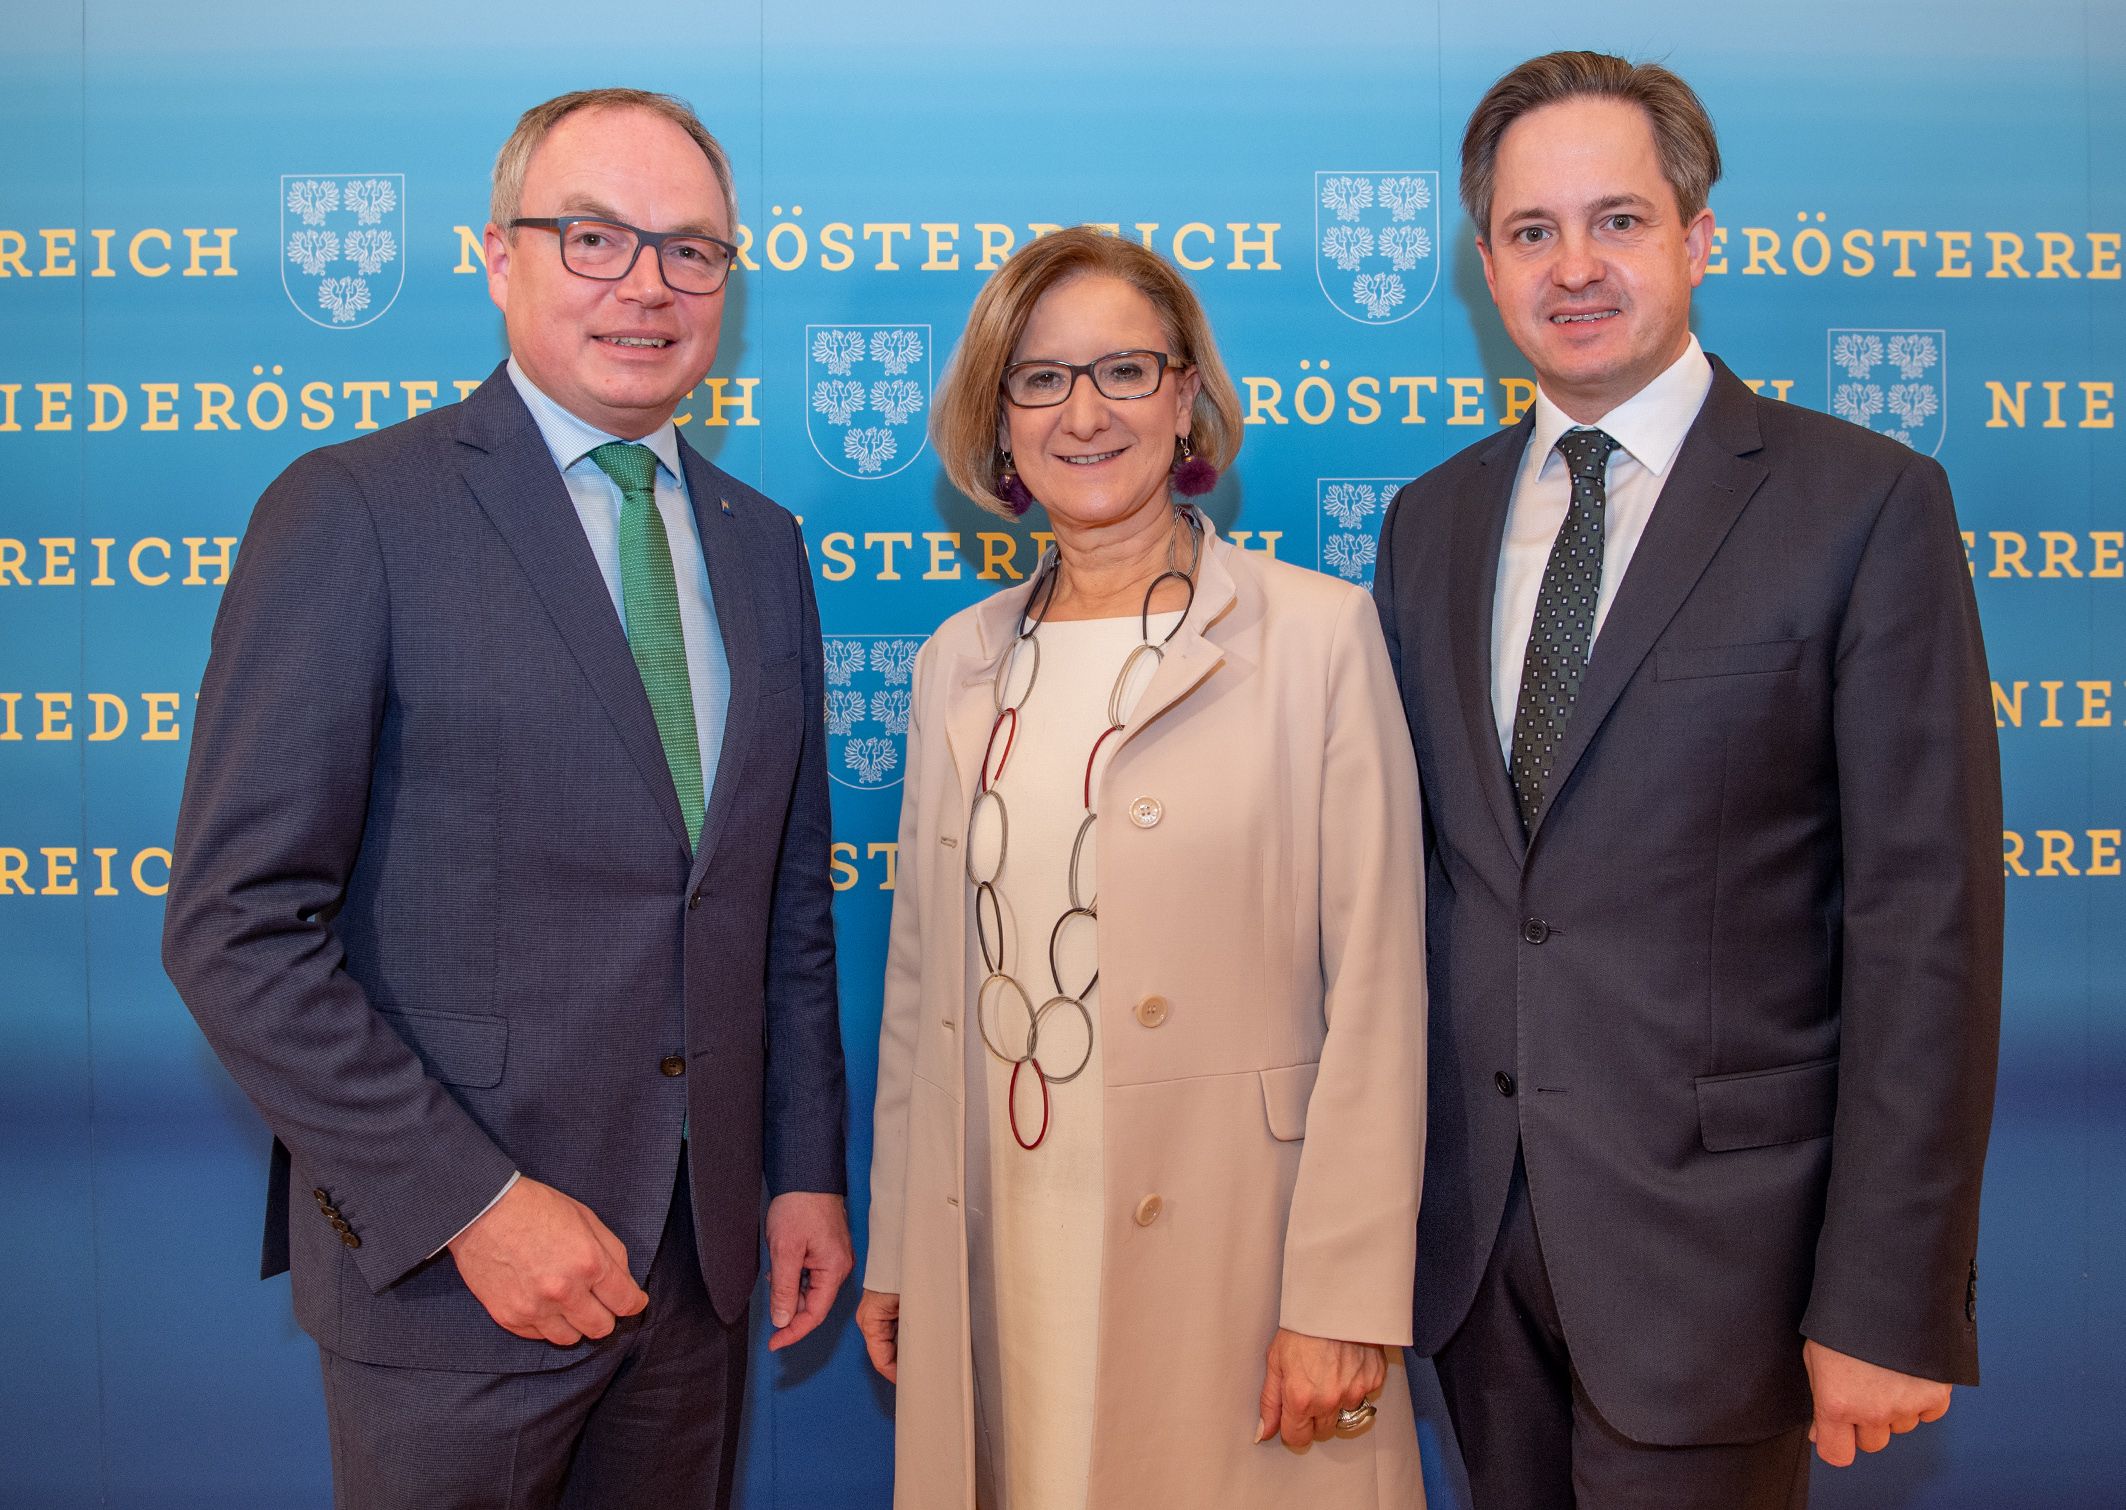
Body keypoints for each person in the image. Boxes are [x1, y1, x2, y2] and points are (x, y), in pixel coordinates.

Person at [162, 88, 851, 1508]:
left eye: (691, 250)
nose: (646, 287)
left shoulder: (763, 545)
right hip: (453, 1293)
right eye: (592, 236)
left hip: (698, 1272)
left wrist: (798, 1170)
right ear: (497, 254)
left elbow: (776, 908)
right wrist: (471, 1205)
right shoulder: (356, 510)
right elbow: (235, 927)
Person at [1373, 51, 2003, 1509]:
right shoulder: (1430, 523)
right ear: (1483, 263)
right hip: (1471, 1264)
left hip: (1721, 1266)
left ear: (1697, 237)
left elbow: (1923, 926)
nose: (1573, 266)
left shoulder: (1862, 506)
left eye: (1618, 220)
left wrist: (1886, 1297)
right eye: (1532, 231)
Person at [853, 227, 1427, 1510]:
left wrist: (1339, 1293)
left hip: (1237, 1254)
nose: (1084, 412)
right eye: (1040, 379)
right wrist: (899, 1244)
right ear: (997, 424)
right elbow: (917, 992)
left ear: (1185, 400)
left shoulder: (1319, 638)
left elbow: (1380, 995)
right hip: (1001, 1239)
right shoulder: (959, 658)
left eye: (1124, 370)